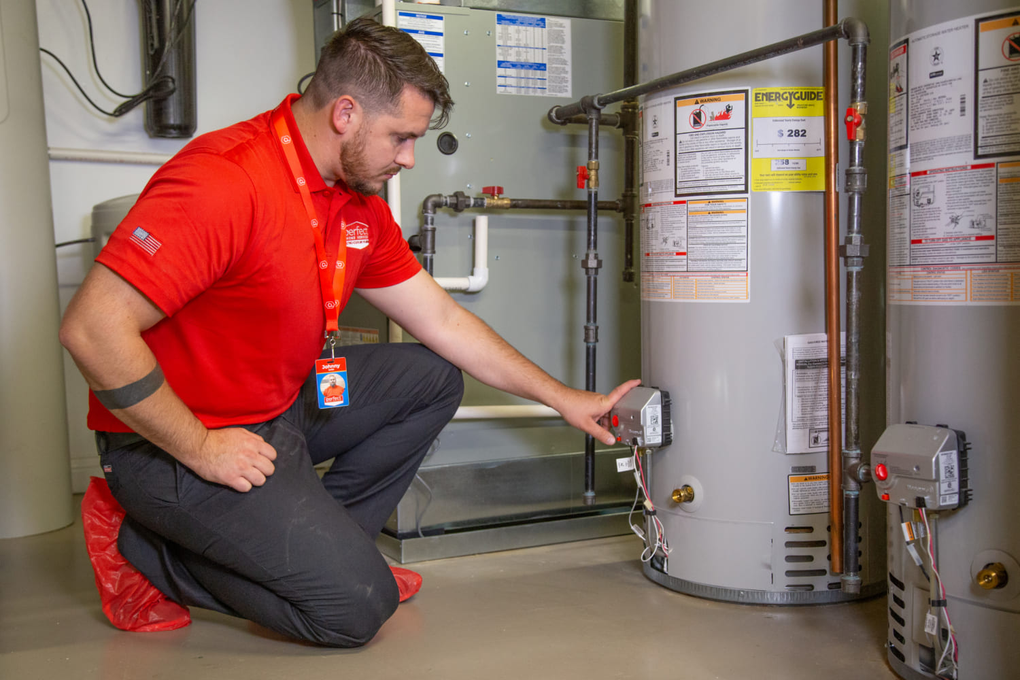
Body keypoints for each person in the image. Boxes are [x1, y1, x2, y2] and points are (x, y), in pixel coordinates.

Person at [60, 17, 638, 648]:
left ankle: (332, 549)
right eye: (401, 137)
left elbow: (442, 320)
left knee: (430, 377)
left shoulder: (353, 200)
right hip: (173, 443)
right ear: (345, 113)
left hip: (275, 410)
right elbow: (92, 329)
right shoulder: (224, 181)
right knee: (356, 609)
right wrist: (200, 446)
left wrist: (565, 399)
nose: (409, 158)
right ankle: (139, 545)